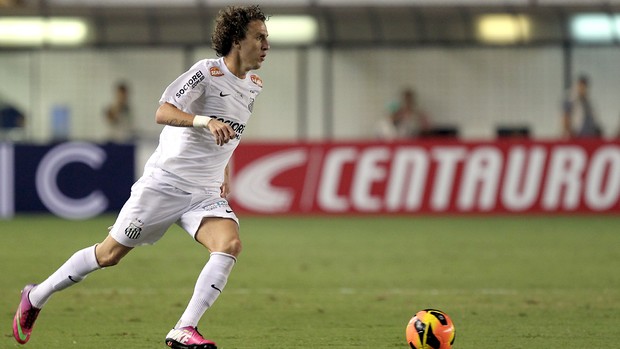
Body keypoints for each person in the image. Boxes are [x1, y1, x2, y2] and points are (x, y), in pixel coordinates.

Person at [12, 5, 269, 349]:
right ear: (238, 41)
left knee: (229, 245)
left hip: (204, 192)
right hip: (164, 185)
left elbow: (229, 132)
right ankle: (36, 295)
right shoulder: (206, 73)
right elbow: (163, 110)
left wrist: (223, 168)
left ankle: (184, 328)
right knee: (108, 256)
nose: (266, 45)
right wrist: (203, 120)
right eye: (260, 37)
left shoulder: (253, 84)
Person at [562, 74, 602, 138]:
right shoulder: (571, 100)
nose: (582, 89)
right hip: (577, 136)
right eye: (580, 86)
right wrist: (570, 133)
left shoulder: (588, 102)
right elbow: (565, 118)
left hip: (590, 136)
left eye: (584, 87)